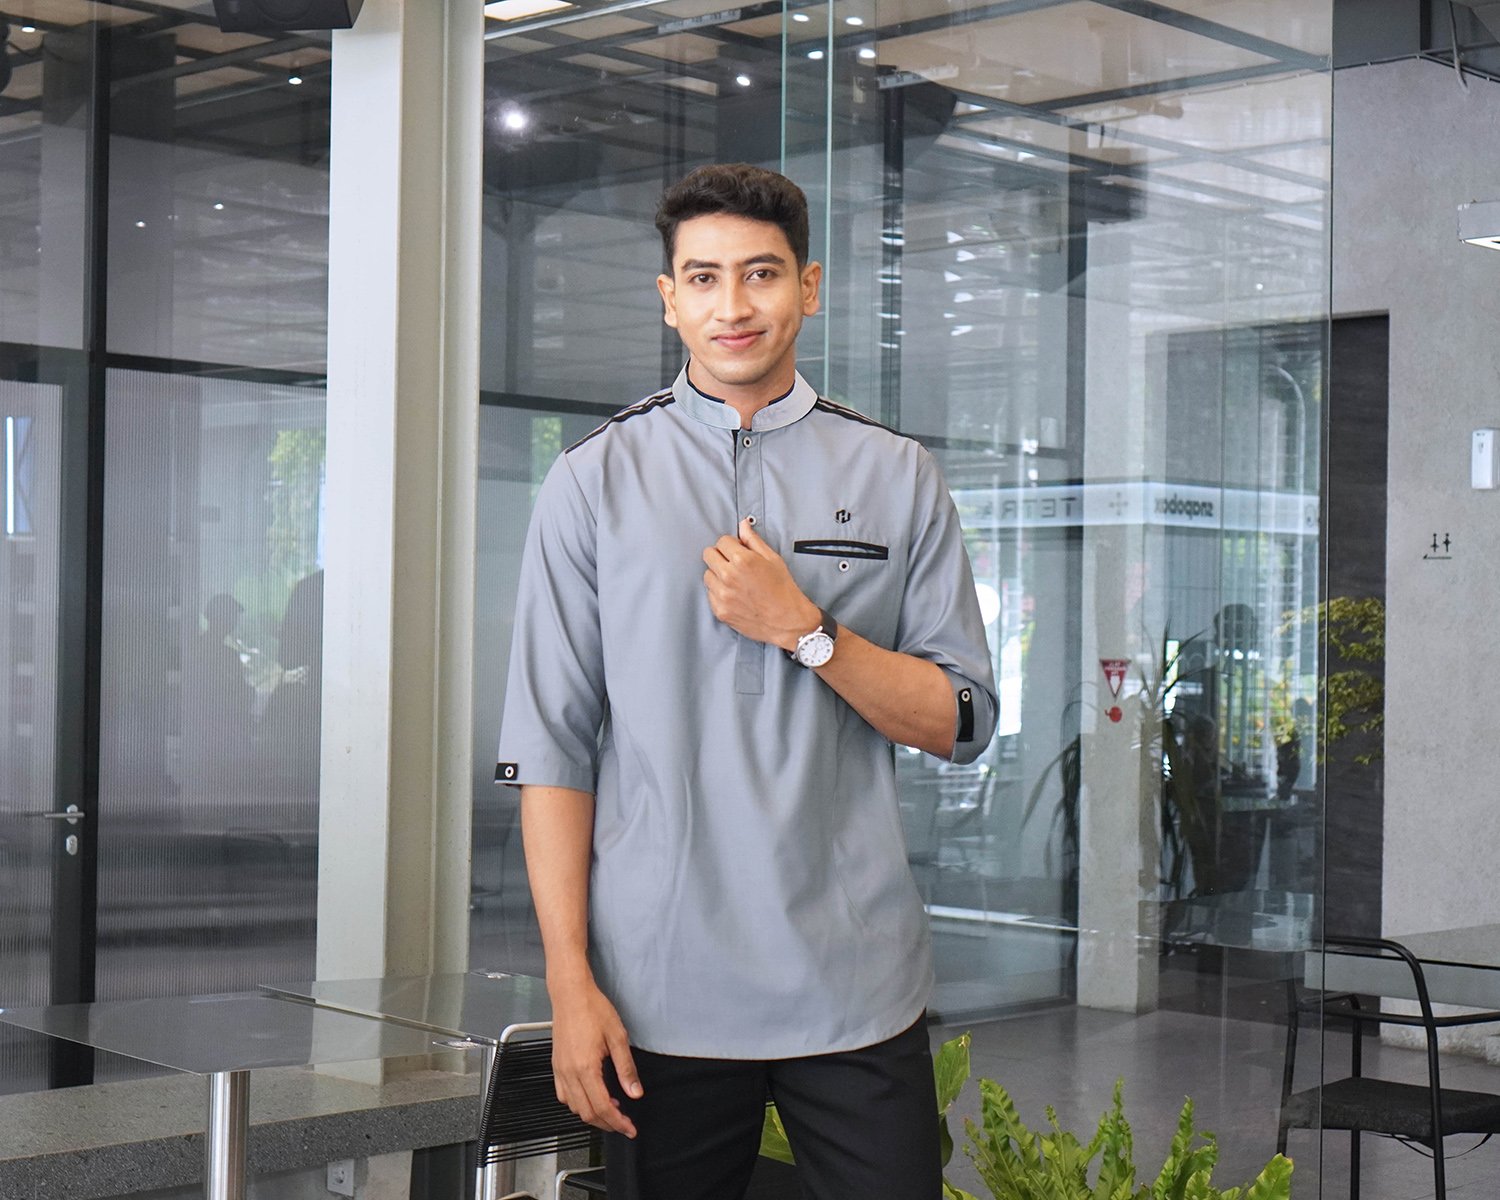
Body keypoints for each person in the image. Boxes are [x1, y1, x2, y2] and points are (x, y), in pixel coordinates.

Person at [496, 163, 998, 1200]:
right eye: (704, 277)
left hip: (856, 980)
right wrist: (570, 981)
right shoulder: (592, 479)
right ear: (668, 297)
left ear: (808, 287)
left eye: (761, 274)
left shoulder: (897, 473)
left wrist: (808, 631)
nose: (733, 305)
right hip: (657, 987)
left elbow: (962, 718)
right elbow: (553, 749)